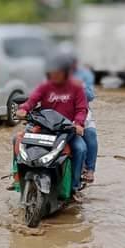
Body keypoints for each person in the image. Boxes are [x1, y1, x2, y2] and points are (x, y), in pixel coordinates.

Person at [15, 53, 89, 196]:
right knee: (17, 140)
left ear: (66, 72)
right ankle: (17, 178)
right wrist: (23, 109)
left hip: (67, 129)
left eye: (58, 72)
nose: (54, 75)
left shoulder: (76, 87)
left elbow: (81, 109)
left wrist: (78, 124)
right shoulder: (44, 86)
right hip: (44, 127)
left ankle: (74, 187)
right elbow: (32, 100)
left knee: (80, 148)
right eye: (51, 72)